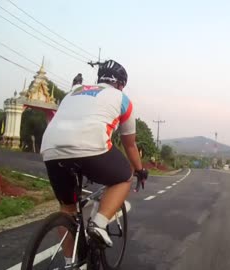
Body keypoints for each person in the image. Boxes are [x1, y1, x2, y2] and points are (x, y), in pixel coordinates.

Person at [40, 60, 147, 261]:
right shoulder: (122, 98)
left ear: (99, 79)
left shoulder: (73, 92)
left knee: (67, 209)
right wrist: (140, 170)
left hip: (51, 148)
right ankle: (98, 223)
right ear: (121, 84)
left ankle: (70, 263)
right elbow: (130, 145)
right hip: (90, 146)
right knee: (124, 176)